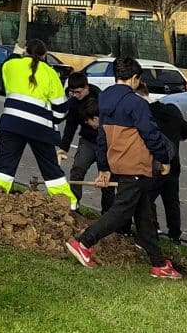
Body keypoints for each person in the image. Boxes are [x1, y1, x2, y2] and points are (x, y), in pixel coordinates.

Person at [67, 57, 180, 278]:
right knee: (121, 211)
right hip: (135, 164)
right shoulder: (137, 103)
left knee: (143, 213)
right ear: (135, 78)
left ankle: (159, 264)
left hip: (116, 161)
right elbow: (151, 135)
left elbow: (101, 136)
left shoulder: (105, 98)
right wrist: (164, 159)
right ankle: (83, 242)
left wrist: (104, 166)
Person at [0, 40, 77, 207]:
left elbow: (6, 69)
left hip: (12, 123)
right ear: (45, 55)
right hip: (40, 127)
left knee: (4, 165)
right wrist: (50, 119)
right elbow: (61, 108)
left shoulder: (12, 65)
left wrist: (16, 53)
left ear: (25, 52)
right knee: (50, 168)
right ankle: (67, 204)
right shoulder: (50, 73)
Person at [138, 77, 187, 243]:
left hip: (153, 165)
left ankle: (152, 229)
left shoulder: (143, 115)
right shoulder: (170, 111)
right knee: (171, 201)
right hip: (173, 163)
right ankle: (175, 235)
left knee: (145, 198)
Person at [58, 72, 109, 211]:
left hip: (106, 144)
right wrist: (64, 147)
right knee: (77, 170)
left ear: (86, 87)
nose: (75, 95)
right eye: (72, 92)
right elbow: (70, 125)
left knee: (105, 179)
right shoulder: (74, 103)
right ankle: (74, 206)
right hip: (88, 141)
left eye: (78, 92)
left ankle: (107, 214)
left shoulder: (101, 98)